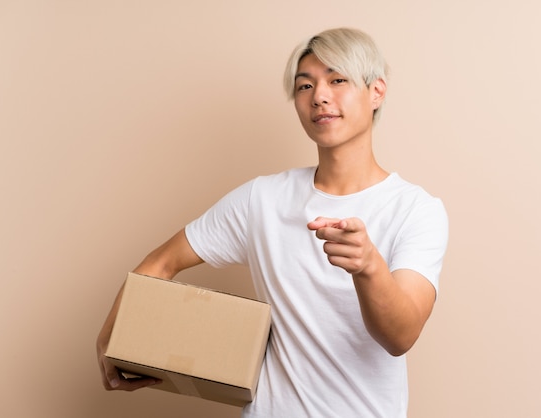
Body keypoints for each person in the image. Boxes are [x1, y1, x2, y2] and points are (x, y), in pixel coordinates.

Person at [97, 27, 449, 417]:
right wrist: (108, 339)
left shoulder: (416, 209)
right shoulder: (261, 200)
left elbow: (400, 336)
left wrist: (369, 267)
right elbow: (160, 264)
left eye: (337, 80)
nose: (320, 96)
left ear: (377, 92)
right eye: (304, 86)